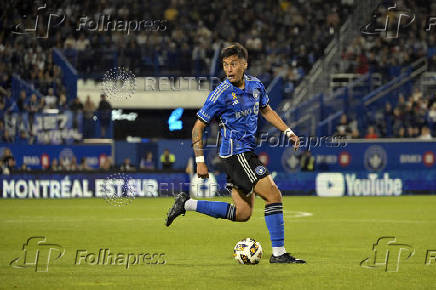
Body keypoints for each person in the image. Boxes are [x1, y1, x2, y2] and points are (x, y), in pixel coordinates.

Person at [165, 43, 305, 264]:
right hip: (236, 154)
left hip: (244, 153)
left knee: (243, 213)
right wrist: (200, 161)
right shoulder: (220, 94)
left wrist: (287, 131)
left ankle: (187, 203)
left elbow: (266, 110)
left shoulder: (256, 85)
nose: (229, 69)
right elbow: (197, 127)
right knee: (273, 194)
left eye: (233, 64)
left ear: (244, 64)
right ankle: (279, 254)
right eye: (225, 65)